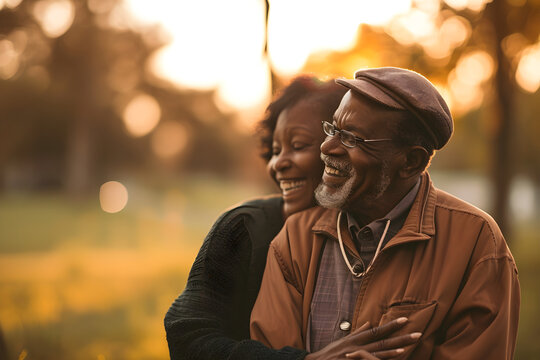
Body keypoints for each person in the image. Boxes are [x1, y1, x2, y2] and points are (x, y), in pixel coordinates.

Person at [250, 67, 521, 359]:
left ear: (410, 162)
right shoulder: (296, 238)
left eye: (351, 138)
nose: (327, 147)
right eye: (333, 129)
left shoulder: (477, 245)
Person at [164, 75, 422, 360]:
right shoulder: (242, 228)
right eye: (275, 151)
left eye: (298, 146)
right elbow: (186, 335)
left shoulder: (383, 234)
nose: (279, 163)